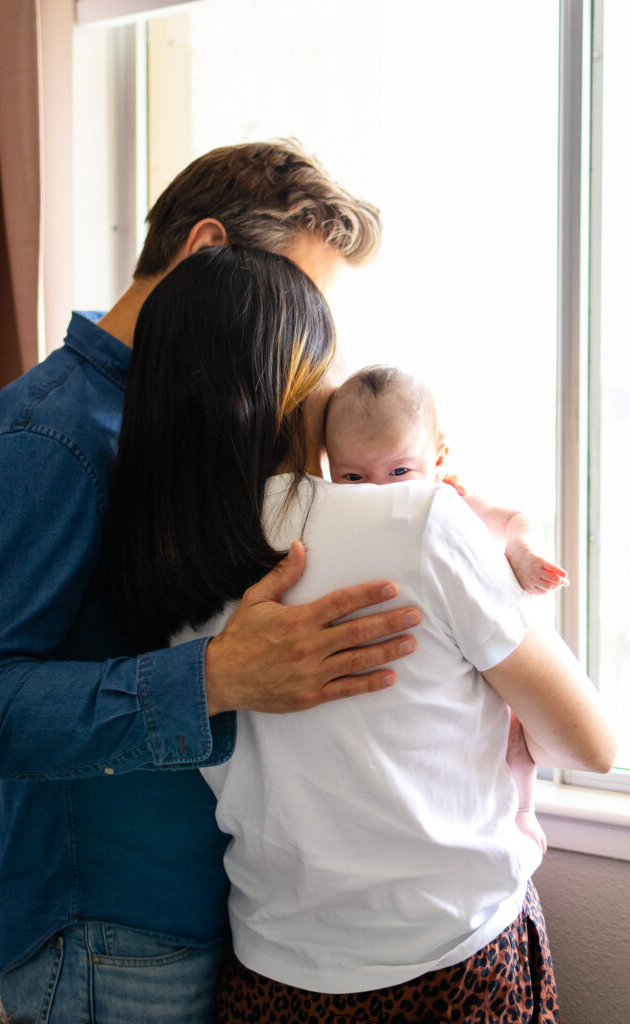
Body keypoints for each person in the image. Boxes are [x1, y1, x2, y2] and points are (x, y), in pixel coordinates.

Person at [0, 140, 423, 1023]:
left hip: (234, 913)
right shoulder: (44, 443)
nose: (296, 346)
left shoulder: (210, 421)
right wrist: (214, 678)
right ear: (207, 254)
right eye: (295, 301)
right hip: (113, 940)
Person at [110, 244, 617, 1023]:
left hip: (273, 971)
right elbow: (591, 745)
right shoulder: (416, 519)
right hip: (451, 960)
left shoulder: (156, 555)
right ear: (294, 381)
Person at [325, 363, 571, 852]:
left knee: (515, 732)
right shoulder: (341, 520)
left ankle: (523, 809)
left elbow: (518, 517)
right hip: (431, 671)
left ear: (438, 456)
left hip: (488, 649)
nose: (379, 491)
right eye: (353, 476)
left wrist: (520, 554)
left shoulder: (451, 499)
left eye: (399, 471)